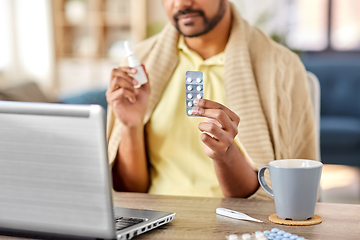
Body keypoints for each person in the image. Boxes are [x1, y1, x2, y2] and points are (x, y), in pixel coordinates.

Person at [106, 0, 318, 200]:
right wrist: (130, 126)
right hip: (158, 222)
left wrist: (225, 155)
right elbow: (130, 193)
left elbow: (273, 196)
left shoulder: (281, 68)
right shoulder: (140, 64)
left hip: (235, 225)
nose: (181, 4)